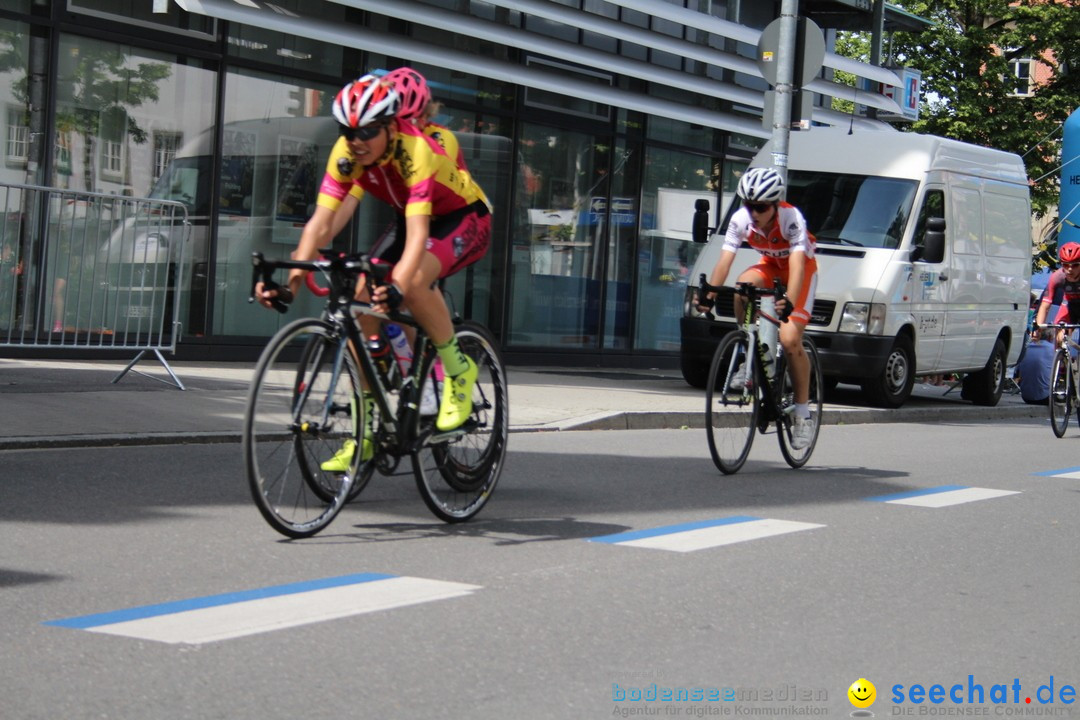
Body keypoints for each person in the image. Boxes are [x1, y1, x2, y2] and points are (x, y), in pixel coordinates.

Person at [255, 74, 492, 470]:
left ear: (389, 124)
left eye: (366, 130)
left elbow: (418, 234)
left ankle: (457, 370)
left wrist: (398, 287)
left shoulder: (418, 148)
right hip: (411, 220)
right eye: (347, 130)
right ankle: (366, 428)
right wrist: (289, 286)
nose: (355, 139)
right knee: (357, 294)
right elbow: (321, 224)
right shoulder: (348, 152)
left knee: (412, 281)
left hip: (461, 218)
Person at [696, 167, 819, 449]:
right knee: (742, 287)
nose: (753, 212)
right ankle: (748, 349)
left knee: (789, 340)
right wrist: (710, 295)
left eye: (760, 207)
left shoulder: (791, 219)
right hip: (770, 268)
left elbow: (799, 265)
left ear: (774, 205)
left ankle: (802, 414)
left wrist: (789, 297)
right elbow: (725, 260)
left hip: (800, 274)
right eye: (748, 205)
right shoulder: (741, 220)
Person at [1032, 242, 1080, 344]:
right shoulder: (1057, 277)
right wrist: (1038, 328)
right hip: (1069, 306)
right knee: (1060, 338)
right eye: (1066, 265)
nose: (1070, 269)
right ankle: (1061, 358)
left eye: (1075, 265)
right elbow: (1045, 306)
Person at [1015, 327, 1054, 405]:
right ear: (1050, 337)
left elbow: (1016, 372)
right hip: (1045, 397)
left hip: (1026, 397)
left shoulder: (1027, 347)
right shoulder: (1053, 348)